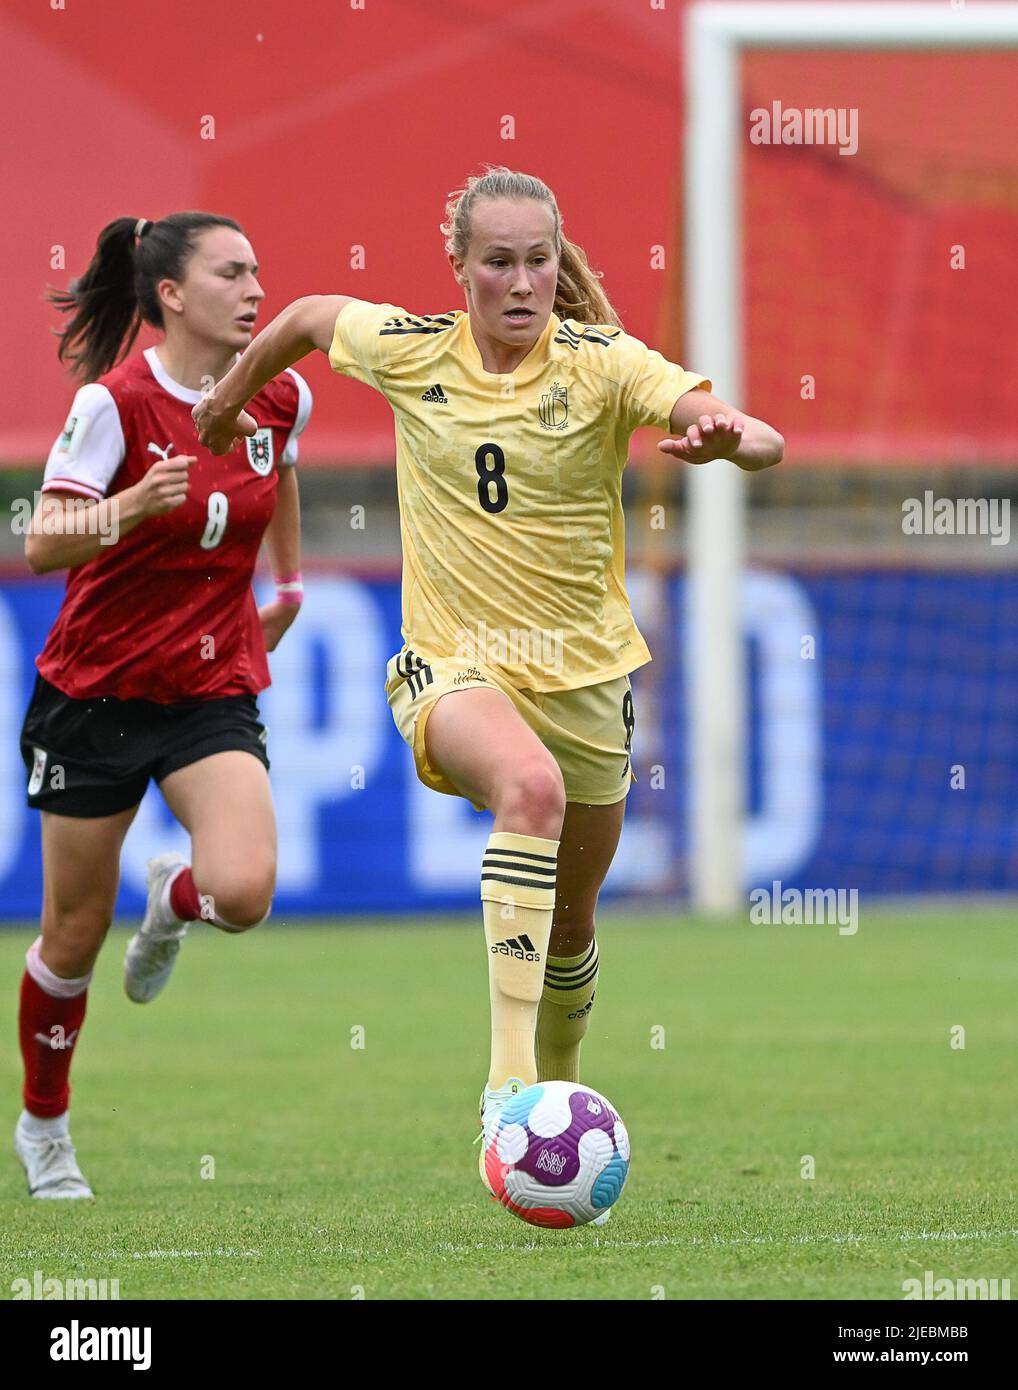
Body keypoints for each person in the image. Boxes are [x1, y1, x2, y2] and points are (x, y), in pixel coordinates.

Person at [192, 165, 782, 1205]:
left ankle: (553, 1099)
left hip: (588, 676)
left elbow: (757, 433)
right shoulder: (411, 349)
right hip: (450, 662)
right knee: (530, 790)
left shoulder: (601, 363)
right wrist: (228, 400)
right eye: (498, 262)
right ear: (457, 268)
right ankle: (508, 1086)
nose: (521, 282)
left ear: (560, 262)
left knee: (573, 926)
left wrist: (733, 444)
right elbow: (303, 318)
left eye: (538, 260)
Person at [15, 212, 311, 1199]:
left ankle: (175, 900)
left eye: (259, 269)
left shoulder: (280, 393)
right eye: (233, 272)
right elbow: (43, 544)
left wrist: (290, 586)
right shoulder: (116, 406)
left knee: (246, 891)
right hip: (95, 693)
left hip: (208, 687)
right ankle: (45, 1126)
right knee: (70, 935)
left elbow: (283, 477)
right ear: (173, 295)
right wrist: (130, 508)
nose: (256, 289)